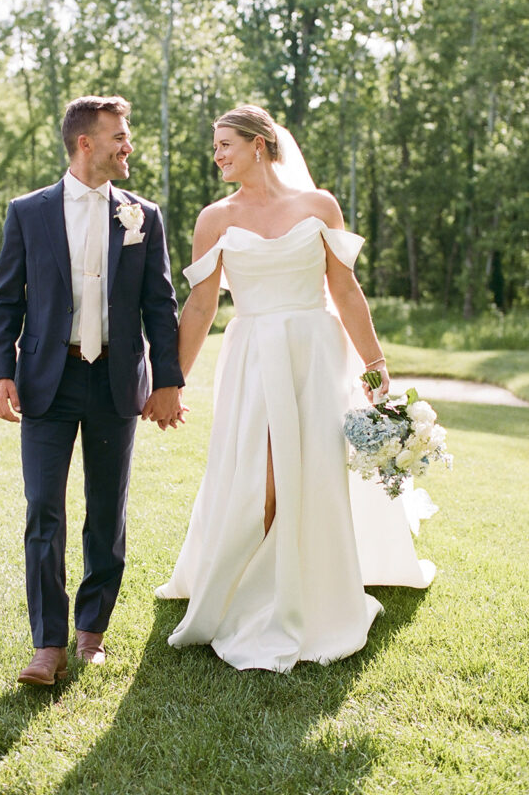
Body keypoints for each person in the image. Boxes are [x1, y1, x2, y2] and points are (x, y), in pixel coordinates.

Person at [156, 104, 436, 672]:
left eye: (226, 144)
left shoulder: (318, 205)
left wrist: (375, 363)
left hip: (314, 353)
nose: (217, 155)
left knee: (310, 470)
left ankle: (306, 586)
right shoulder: (214, 218)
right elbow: (202, 305)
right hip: (255, 357)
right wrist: (172, 380)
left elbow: (346, 289)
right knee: (260, 477)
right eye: (215, 146)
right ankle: (235, 592)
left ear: (260, 143)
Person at [0, 95, 185, 685]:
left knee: (107, 511)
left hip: (117, 382)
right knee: (43, 509)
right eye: (120, 137)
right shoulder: (28, 212)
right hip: (47, 380)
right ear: (86, 144)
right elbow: (4, 299)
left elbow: (160, 304)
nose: (128, 147)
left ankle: (91, 633)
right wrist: (0, 371)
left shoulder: (142, 214)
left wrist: (169, 380)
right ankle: (47, 645)